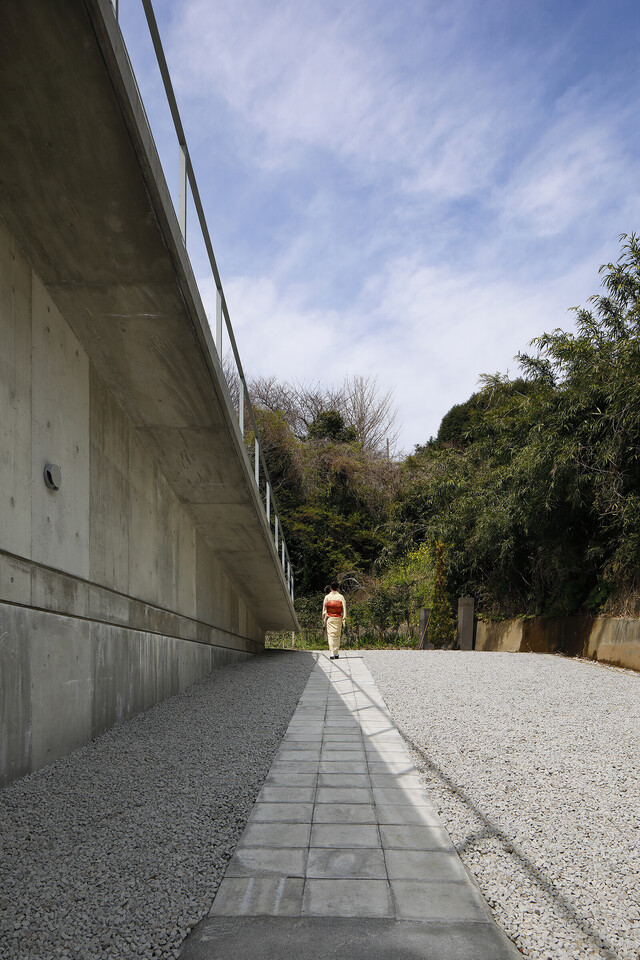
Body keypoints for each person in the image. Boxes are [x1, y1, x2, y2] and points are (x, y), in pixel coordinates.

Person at [322, 581, 347, 659]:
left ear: (330, 588)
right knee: (337, 635)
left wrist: (324, 618)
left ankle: (332, 652)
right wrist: (344, 618)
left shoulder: (327, 597)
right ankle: (336, 653)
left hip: (330, 618)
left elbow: (324, 609)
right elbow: (344, 608)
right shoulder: (340, 597)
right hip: (338, 617)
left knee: (331, 635)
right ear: (337, 588)